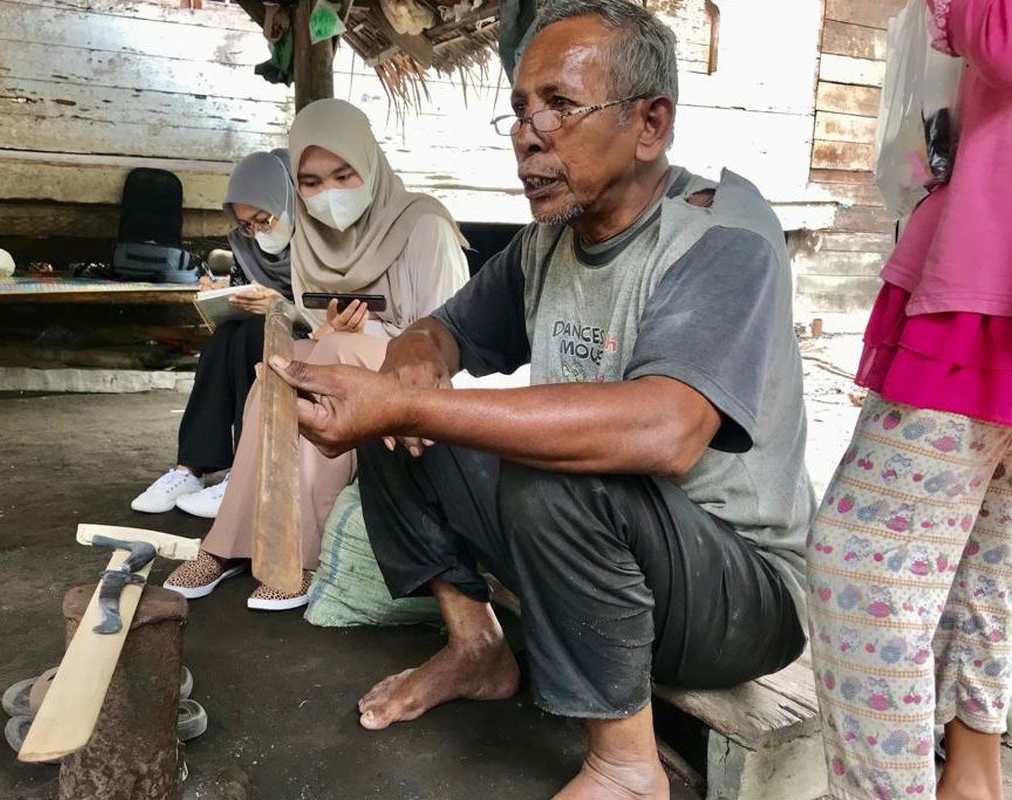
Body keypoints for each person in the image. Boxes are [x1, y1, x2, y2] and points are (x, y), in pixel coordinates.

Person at [264, 2, 812, 797]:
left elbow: (666, 431)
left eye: (560, 105)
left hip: (739, 594)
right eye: (521, 108)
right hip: (610, 560)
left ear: (649, 124)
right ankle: (476, 647)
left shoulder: (722, 235)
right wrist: (407, 378)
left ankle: (627, 766)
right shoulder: (548, 241)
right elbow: (442, 333)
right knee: (395, 421)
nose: (529, 133)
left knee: (549, 470)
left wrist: (412, 405)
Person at [806, 1, 1012, 797]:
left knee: (864, 563)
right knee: (986, 555)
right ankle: (975, 778)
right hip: (983, 254)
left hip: (989, 274)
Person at [164, 98, 470, 611]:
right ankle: (227, 544)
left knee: (334, 356)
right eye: (310, 182)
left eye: (343, 174)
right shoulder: (309, 237)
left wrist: (360, 331)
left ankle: (303, 557)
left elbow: (446, 338)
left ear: (369, 164)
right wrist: (326, 326)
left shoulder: (424, 226)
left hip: (413, 374)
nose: (327, 193)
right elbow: (311, 320)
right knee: (276, 373)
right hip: (339, 354)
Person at [131, 149, 298, 517]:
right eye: (247, 225)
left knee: (255, 334)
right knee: (226, 337)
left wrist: (282, 306)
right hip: (269, 331)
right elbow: (248, 289)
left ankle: (246, 473)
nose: (257, 232)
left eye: (263, 219)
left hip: (315, 338)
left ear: (287, 200)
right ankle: (191, 468)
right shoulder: (248, 245)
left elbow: (333, 309)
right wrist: (224, 293)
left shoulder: (321, 242)